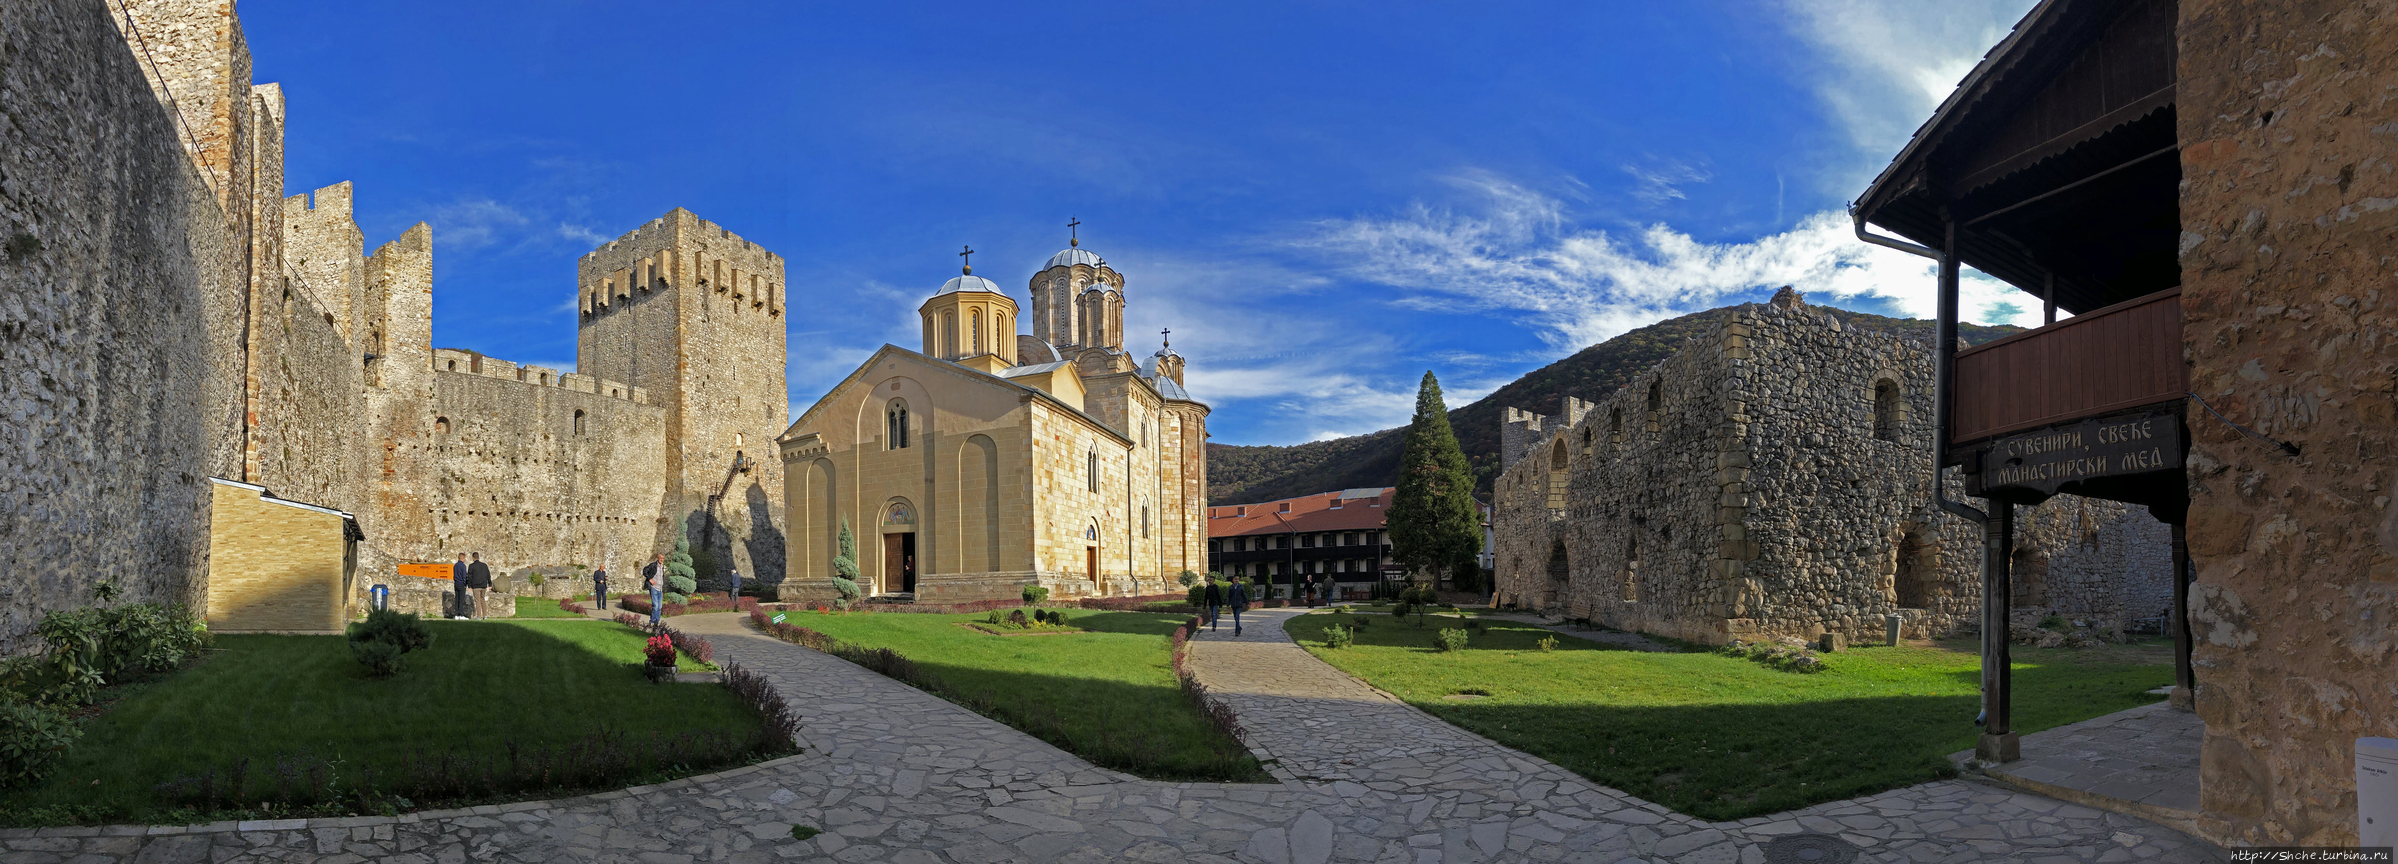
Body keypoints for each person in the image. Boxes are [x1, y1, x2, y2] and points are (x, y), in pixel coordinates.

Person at [466, 552, 492, 619]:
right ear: (478, 557)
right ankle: (485, 615)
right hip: (483, 585)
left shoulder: (471, 566)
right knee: (482, 600)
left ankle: (479, 616)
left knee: (477, 601)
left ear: (473, 558)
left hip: (476, 586)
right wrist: (490, 584)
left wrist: (469, 586)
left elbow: (469, 576)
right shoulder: (484, 565)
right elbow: (488, 575)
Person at [643, 552, 667, 627]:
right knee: (655, 606)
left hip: (660, 589)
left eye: (662, 558)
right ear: (657, 558)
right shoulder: (653, 565)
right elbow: (645, 570)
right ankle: (652, 621)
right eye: (660, 558)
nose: (661, 559)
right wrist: (650, 579)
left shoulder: (663, 567)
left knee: (659, 607)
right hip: (654, 588)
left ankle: (656, 622)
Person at [450, 553, 470, 619]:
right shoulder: (463, 566)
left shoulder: (455, 565)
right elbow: (464, 576)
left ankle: (456, 614)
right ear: (463, 558)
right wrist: (465, 583)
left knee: (457, 599)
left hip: (456, 583)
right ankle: (461, 614)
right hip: (461, 583)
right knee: (461, 599)